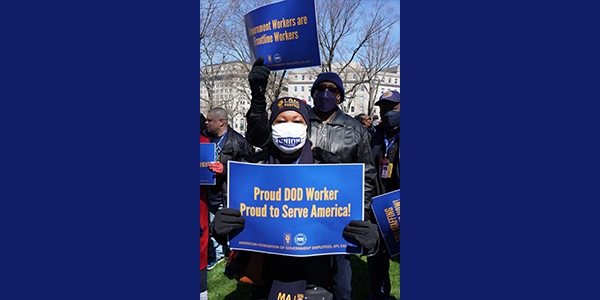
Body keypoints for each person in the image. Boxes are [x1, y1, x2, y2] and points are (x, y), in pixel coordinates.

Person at [212, 97, 379, 300]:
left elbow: (344, 221)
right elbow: (239, 224)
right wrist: (221, 230)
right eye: (281, 121)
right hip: (268, 276)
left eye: (297, 120)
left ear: (306, 126)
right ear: (272, 126)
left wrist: (368, 238)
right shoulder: (253, 167)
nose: (289, 126)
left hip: (319, 279)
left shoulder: (329, 167)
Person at [245, 58, 378, 300]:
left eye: (332, 90)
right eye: (320, 88)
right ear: (313, 92)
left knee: (341, 284)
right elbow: (260, 135)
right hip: (294, 211)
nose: (326, 93)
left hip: (337, 215)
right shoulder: (298, 118)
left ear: (340, 96)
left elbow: (366, 175)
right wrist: (258, 94)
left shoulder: (355, 129)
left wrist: (361, 214)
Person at [202, 107, 254, 269]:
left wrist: (224, 169)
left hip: (227, 193)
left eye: (210, 120)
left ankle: (227, 257)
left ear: (221, 122)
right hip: (210, 191)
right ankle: (217, 255)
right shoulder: (206, 139)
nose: (206, 122)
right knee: (212, 226)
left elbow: (248, 167)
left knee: (226, 225)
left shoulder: (238, 141)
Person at [368, 90, 400, 300]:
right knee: (376, 257)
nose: (387, 112)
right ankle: (379, 295)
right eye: (383, 108)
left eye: (392, 107)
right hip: (378, 206)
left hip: (401, 206)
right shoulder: (374, 135)